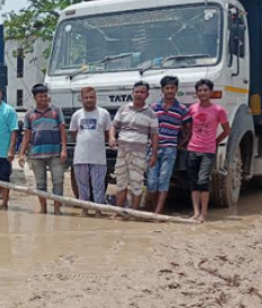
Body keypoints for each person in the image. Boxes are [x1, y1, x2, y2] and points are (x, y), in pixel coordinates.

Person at [109, 81, 159, 213]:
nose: (139, 94)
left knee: (137, 184)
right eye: (136, 92)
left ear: (147, 95)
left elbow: (154, 135)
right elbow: (114, 126)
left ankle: (134, 212)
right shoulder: (123, 109)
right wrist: (112, 137)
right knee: (121, 183)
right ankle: (119, 212)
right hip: (122, 151)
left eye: (142, 92)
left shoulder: (151, 114)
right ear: (132, 93)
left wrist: (154, 154)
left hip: (139, 153)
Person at [18, 84, 67, 215]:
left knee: (58, 181)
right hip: (36, 154)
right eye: (41, 96)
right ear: (35, 98)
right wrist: (21, 153)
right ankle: (43, 209)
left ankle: (57, 209)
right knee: (40, 184)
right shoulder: (29, 114)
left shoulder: (56, 110)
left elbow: (63, 131)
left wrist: (64, 149)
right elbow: (27, 135)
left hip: (55, 152)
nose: (44, 99)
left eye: (46, 95)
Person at [187, 79, 231, 222]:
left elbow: (226, 130)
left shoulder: (219, 110)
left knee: (203, 181)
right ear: (196, 93)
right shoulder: (192, 108)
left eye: (205, 90)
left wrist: (216, 142)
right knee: (193, 182)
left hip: (208, 151)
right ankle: (195, 212)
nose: (202, 93)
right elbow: (186, 127)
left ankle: (204, 213)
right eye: (200, 90)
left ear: (211, 92)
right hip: (192, 149)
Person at [147, 76, 192, 215]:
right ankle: (156, 210)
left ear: (176, 90)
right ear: (162, 90)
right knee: (151, 181)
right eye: (167, 88)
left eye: (172, 88)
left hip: (170, 150)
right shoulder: (153, 108)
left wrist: (182, 143)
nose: (170, 91)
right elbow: (146, 126)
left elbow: (189, 128)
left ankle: (158, 212)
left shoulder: (182, 109)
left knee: (164, 180)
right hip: (153, 149)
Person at [69, 87, 112, 216]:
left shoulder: (104, 113)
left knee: (98, 186)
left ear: (95, 98)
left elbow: (108, 131)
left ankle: (98, 210)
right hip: (81, 156)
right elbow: (73, 132)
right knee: (82, 185)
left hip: (98, 157)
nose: (89, 100)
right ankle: (84, 210)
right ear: (81, 99)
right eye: (86, 98)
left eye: (91, 97)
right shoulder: (77, 115)